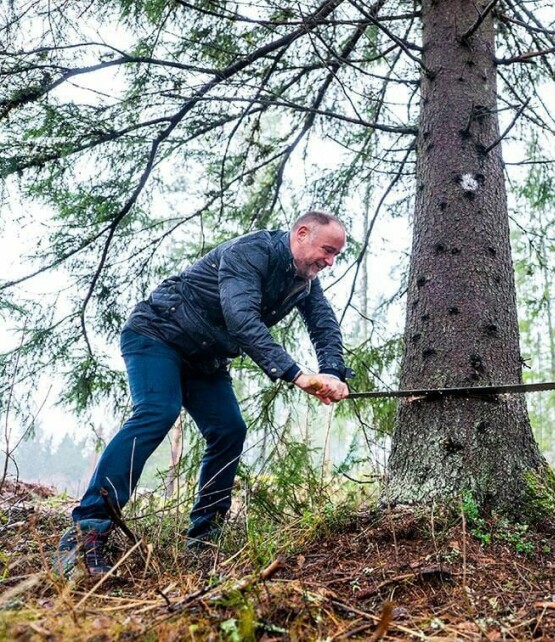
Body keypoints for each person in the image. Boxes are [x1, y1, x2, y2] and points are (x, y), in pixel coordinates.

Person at [57, 211, 353, 576]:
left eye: (336, 255)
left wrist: (333, 372)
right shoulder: (251, 252)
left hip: (205, 359)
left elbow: (323, 323)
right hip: (158, 334)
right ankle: (85, 535)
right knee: (157, 411)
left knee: (229, 429)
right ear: (302, 233)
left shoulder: (304, 281)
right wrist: (295, 374)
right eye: (327, 250)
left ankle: (203, 542)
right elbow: (241, 319)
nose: (330, 261)